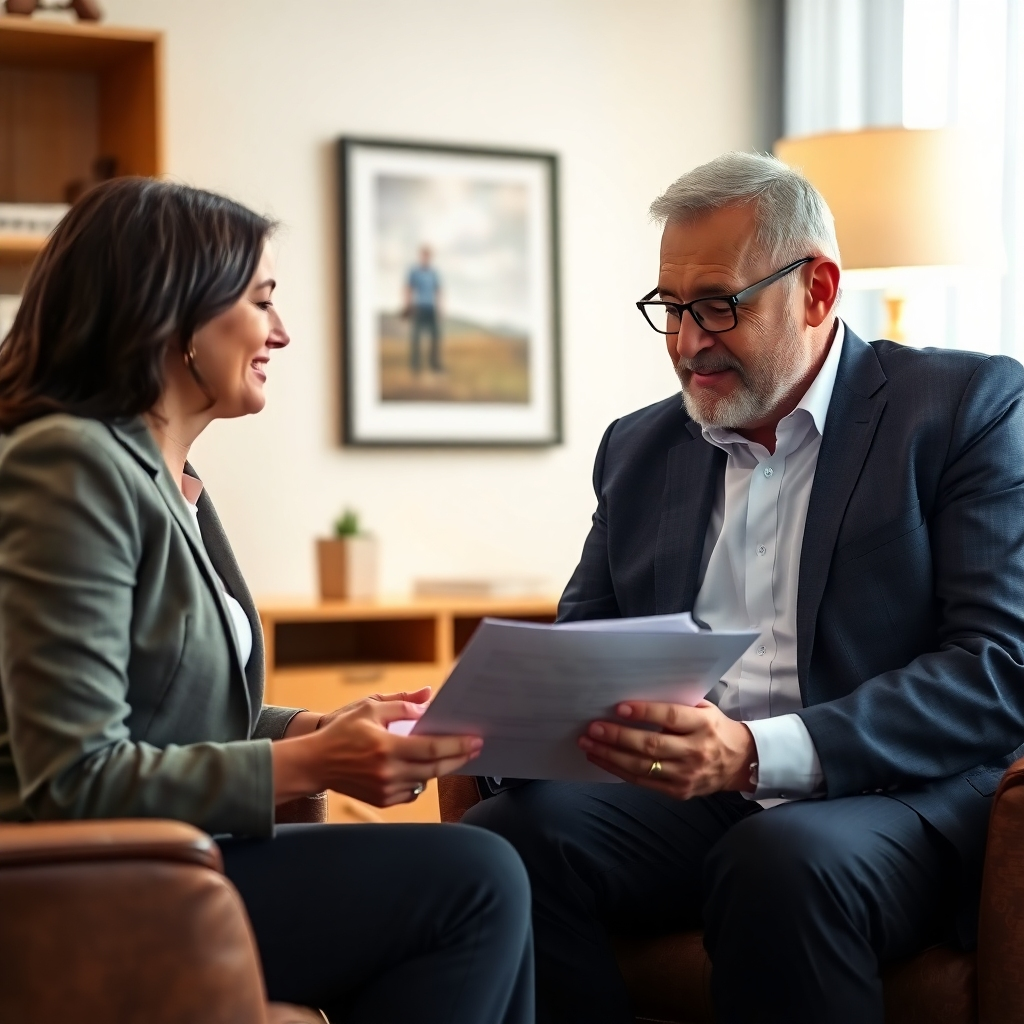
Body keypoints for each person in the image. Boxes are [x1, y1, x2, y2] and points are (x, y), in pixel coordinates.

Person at [465, 152, 1024, 1024]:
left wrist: (758, 753)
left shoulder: (961, 408)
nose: (688, 342)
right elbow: (586, 652)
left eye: (719, 305)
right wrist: (502, 729)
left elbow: (996, 667)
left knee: (779, 859)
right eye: (670, 309)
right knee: (503, 848)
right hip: (697, 798)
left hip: (895, 797)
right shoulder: (640, 448)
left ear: (817, 289)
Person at [0, 178, 534, 1024]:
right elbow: (75, 779)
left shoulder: (173, 482)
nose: (281, 333)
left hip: (177, 860)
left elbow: (168, 714)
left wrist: (312, 729)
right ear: (172, 314)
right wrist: (317, 766)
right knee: (476, 879)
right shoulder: (68, 466)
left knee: (479, 874)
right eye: (262, 301)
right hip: (89, 886)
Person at [405, 244, 443, 373]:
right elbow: (409, 288)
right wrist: (408, 305)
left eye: (428, 255)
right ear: (421, 256)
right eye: (424, 255)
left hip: (431, 307)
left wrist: (440, 308)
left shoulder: (433, 273)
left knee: (435, 337)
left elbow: (438, 291)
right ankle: (415, 367)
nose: (426, 257)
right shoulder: (414, 271)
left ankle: (434, 365)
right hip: (419, 307)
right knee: (416, 338)